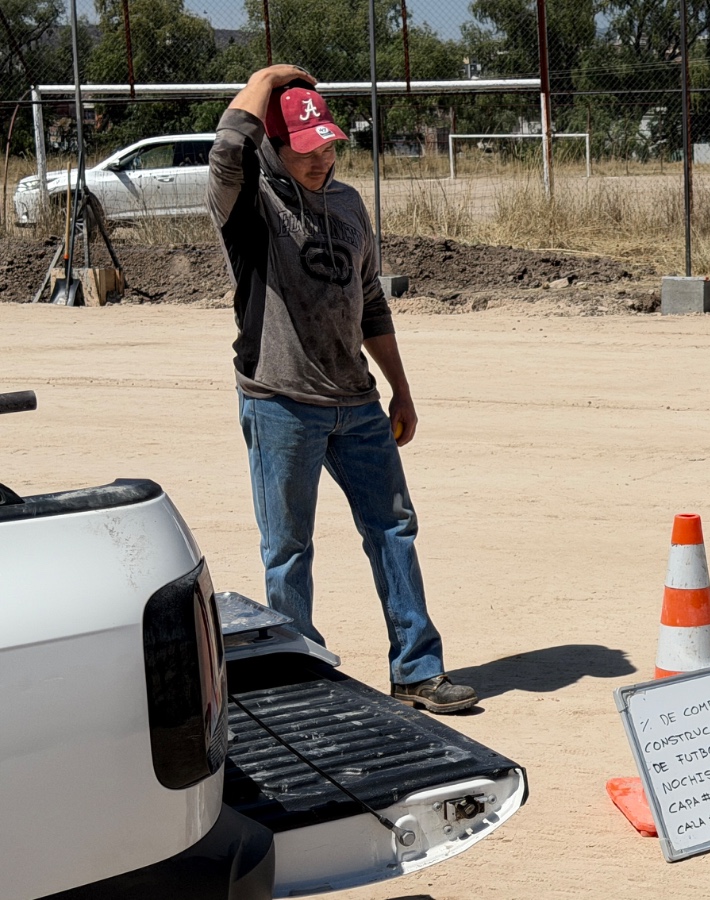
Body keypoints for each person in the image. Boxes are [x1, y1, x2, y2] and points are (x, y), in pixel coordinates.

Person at [207, 65, 477, 714]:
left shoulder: (350, 205)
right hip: (279, 399)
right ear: (276, 148)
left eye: (329, 147)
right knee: (288, 548)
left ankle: (416, 669)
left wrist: (400, 390)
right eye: (307, 150)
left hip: (355, 403)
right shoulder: (251, 206)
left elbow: (373, 302)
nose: (322, 160)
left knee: (393, 527)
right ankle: (298, 675)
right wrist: (265, 77)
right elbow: (225, 148)